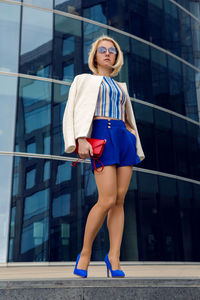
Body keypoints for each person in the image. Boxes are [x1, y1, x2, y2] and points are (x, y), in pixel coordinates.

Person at [62, 35, 145, 278]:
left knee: (119, 199)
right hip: (100, 135)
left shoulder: (121, 87)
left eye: (112, 50)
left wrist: (129, 133)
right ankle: (85, 253)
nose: (108, 53)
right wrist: (80, 139)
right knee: (106, 198)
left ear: (116, 57)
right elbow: (72, 112)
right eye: (102, 50)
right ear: (95, 56)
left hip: (123, 138)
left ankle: (114, 257)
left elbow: (127, 115)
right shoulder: (83, 80)